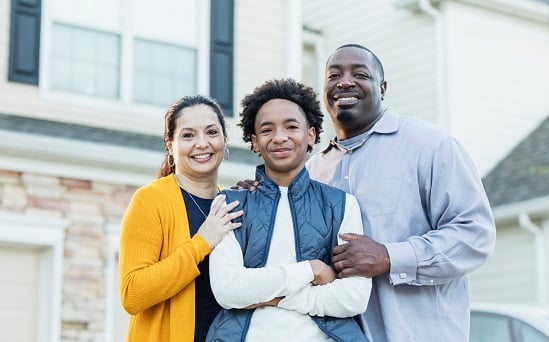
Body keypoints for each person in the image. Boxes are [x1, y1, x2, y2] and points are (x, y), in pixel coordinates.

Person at [236, 44, 496, 341]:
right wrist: (260, 195)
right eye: (334, 75)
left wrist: (389, 256)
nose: (344, 82)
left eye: (360, 74)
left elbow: (475, 235)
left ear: (382, 88)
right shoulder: (312, 171)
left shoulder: (431, 146)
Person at [206, 78, 372, 341]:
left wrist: (273, 298)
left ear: (311, 135)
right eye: (267, 130)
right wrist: (310, 270)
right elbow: (228, 290)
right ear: (255, 141)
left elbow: (353, 298)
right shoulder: (230, 203)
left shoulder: (341, 205)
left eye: (291, 126)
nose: (279, 137)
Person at [119, 95, 244, 342]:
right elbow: (132, 294)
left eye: (211, 132)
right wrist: (201, 244)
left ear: (224, 139)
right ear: (170, 143)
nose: (202, 143)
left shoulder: (232, 205)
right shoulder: (151, 200)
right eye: (188, 135)